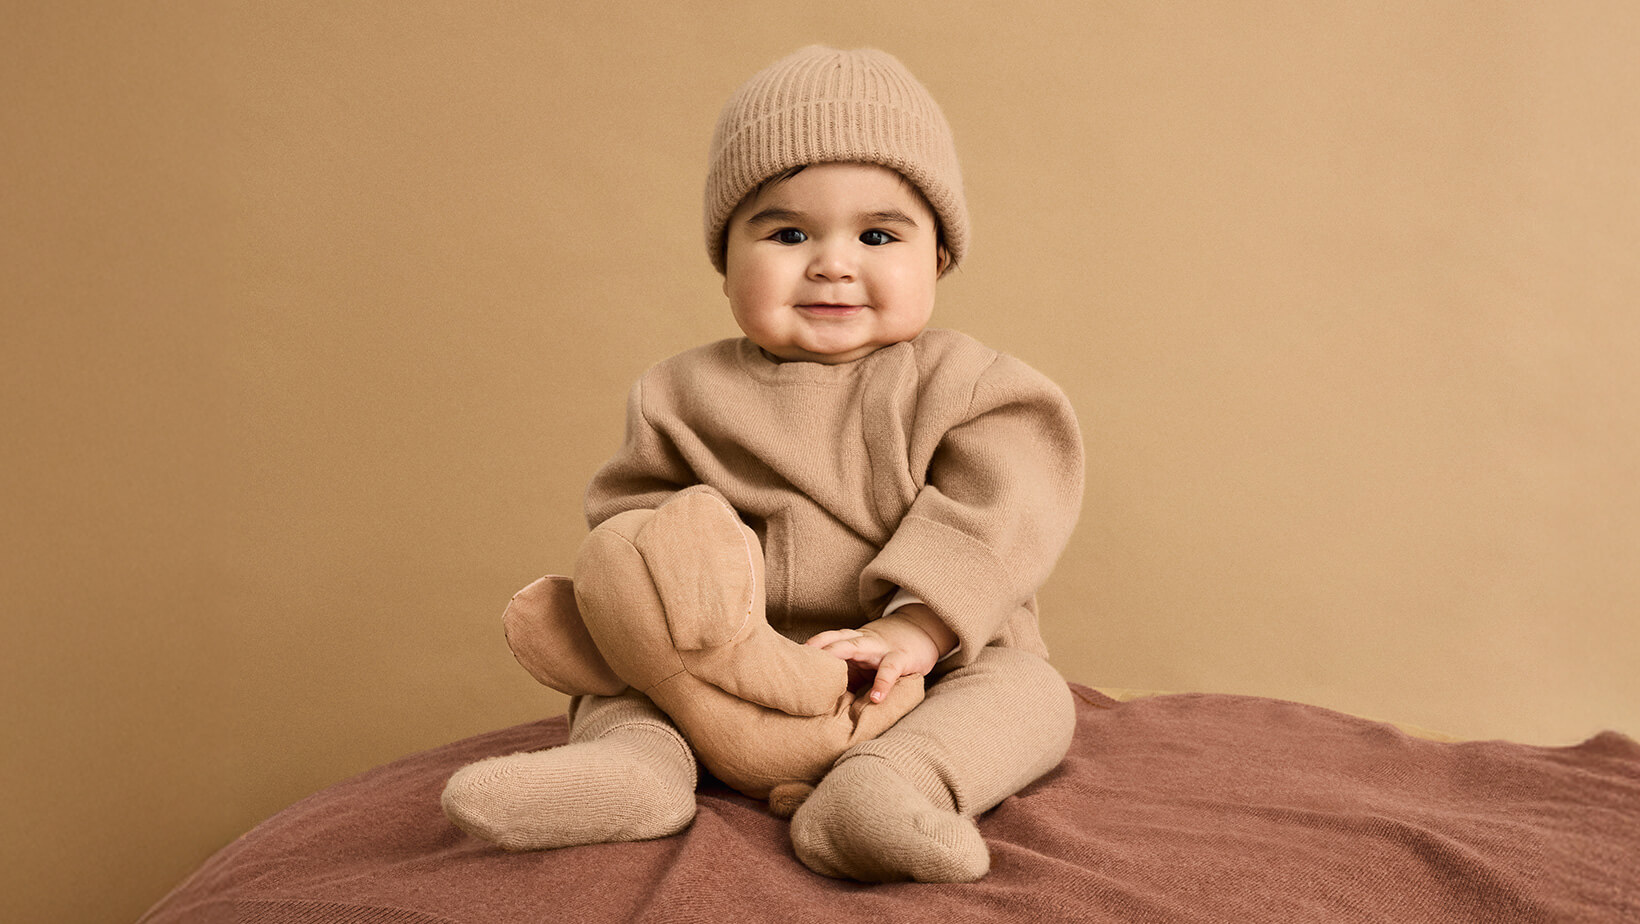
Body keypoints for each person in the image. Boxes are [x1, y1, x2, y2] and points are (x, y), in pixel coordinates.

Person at [441, 45, 1084, 883]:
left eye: (879, 233)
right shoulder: (679, 393)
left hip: (915, 675)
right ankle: (638, 771)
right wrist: (681, 627)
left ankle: (887, 787)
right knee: (619, 690)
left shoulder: (971, 387)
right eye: (787, 232)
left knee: (1031, 696)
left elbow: (1003, 513)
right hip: (728, 684)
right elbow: (633, 534)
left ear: (939, 258)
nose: (831, 261)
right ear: (725, 261)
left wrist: (913, 629)